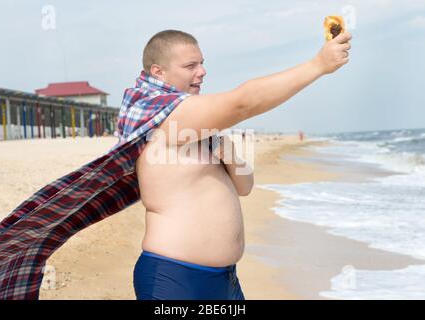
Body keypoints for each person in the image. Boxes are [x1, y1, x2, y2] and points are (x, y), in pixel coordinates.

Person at [130, 29, 352, 300]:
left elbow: (244, 186)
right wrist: (317, 65)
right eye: (190, 65)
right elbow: (243, 103)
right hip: (176, 279)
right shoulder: (159, 115)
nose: (202, 72)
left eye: (202, 63)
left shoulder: (197, 122)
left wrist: (228, 151)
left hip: (226, 280)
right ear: (158, 72)